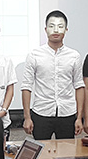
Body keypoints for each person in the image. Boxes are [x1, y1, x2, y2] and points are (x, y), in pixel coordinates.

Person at [21, 10, 84, 140]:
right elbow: (26, 87)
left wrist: (79, 118)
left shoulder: (74, 56)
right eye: (51, 26)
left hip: (67, 113)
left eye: (60, 26)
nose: (56, 30)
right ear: (45, 29)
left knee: (67, 151)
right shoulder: (34, 55)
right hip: (41, 113)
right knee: (41, 151)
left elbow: (79, 86)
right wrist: (27, 117)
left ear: (66, 30)